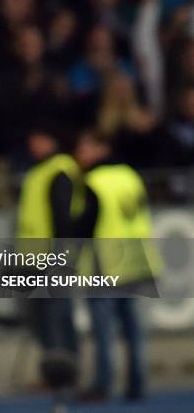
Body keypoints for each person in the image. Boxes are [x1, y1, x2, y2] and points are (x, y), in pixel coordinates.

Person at [74, 129, 157, 401]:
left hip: (107, 263)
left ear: (99, 148)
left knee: (105, 331)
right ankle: (138, 385)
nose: (79, 154)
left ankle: (104, 385)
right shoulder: (130, 175)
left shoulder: (94, 181)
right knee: (135, 330)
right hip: (138, 259)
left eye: (83, 147)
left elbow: (85, 225)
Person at [16, 124, 82, 356]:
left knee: (57, 315)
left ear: (49, 140)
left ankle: (65, 368)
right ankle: (54, 369)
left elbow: (62, 217)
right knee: (43, 316)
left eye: (36, 139)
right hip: (33, 258)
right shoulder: (39, 171)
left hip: (51, 258)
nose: (31, 145)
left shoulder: (58, 170)